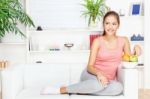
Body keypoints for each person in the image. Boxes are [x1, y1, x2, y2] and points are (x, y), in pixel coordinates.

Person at [41, 11, 141, 96]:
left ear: (118, 25)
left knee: (118, 88)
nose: (110, 27)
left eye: (114, 24)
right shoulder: (97, 41)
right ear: (103, 24)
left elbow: (128, 59)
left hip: (107, 80)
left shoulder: (124, 40)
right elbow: (90, 66)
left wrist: (136, 51)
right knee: (98, 85)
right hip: (91, 75)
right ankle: (62, 90)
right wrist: (99, 74)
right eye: (107, 23)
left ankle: (83, 90)